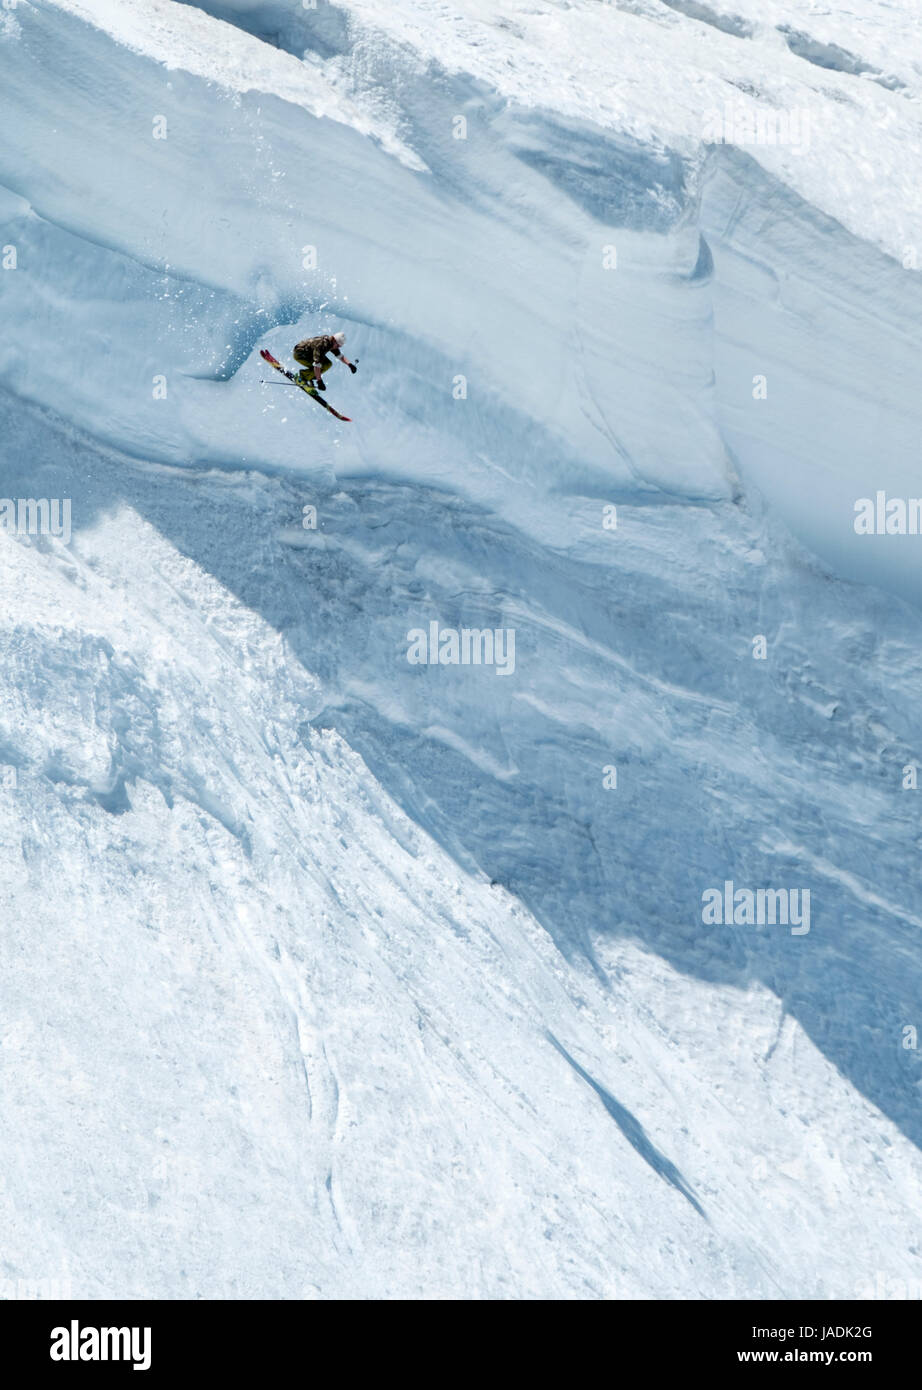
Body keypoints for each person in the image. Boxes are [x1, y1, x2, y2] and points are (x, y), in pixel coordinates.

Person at [292, 331, 357, 391]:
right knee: (320, 364)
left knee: (328, 364)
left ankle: (309, 376)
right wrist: (319, 382)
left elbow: (340, 356)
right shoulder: (322, 345)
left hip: (308, 354)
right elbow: (317, 365)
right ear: (334, 340)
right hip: (300, 355)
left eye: (339, 346)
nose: (338, 348)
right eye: (337, 345)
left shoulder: (331, 343)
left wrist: (350, 364)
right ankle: (302, 378)